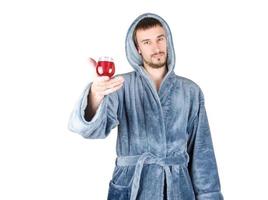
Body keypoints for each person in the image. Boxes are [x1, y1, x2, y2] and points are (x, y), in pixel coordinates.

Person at [68, 13, 223, 200]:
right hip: (132, 187)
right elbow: (91, 130)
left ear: (168, 41)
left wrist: (209, 196)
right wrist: (95, 95)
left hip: (177, 190)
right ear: (137, 48)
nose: (156, 47)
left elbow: (202, 154)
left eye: (160, 39)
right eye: (147, 42)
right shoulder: (120, 85)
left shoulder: (190, 91)